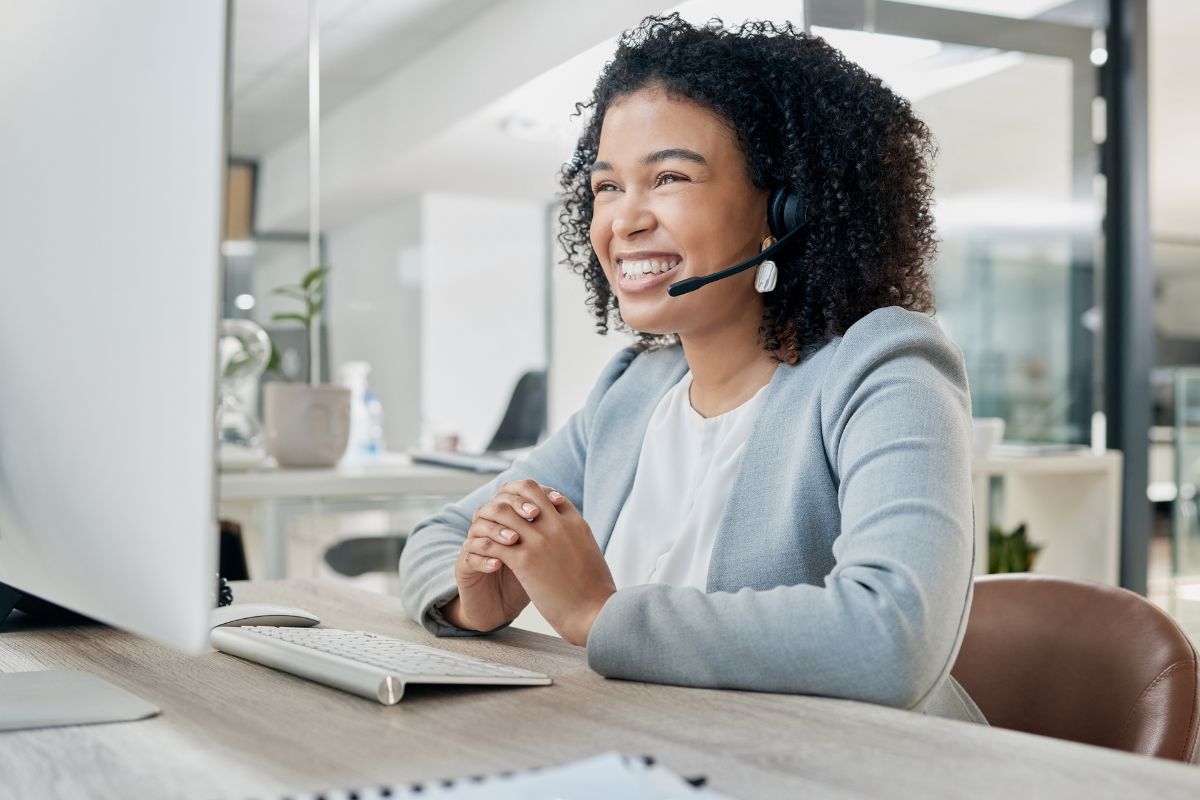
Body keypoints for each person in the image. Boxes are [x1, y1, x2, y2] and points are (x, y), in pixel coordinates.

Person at [400, 14, 986, 723]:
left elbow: (891, 637)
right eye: (608, 187)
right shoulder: (633, 391)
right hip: (664, 756)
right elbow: (439, 537)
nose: (624, 221)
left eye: (669, 177)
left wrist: (598, 613)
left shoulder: (885, 367)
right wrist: (473, 595)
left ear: (784, 209)